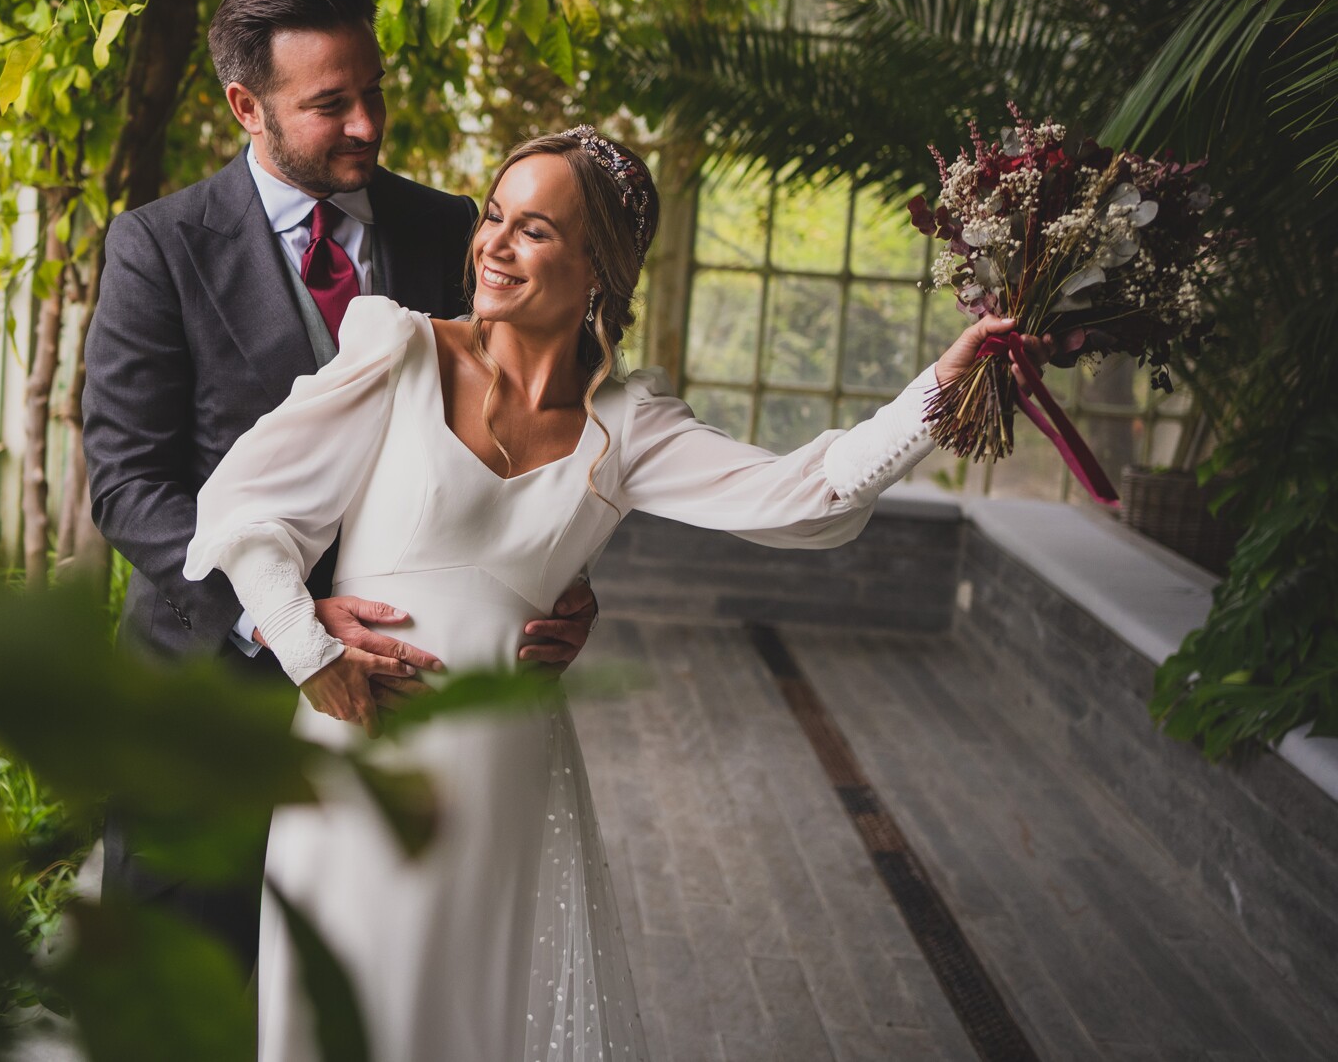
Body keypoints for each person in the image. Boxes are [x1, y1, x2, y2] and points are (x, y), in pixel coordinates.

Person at [184, 128, 1046, 1061]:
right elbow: (242, 506)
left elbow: (808, 494)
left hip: (504, 781)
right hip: (361, 762)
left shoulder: (626, 425)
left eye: (536, 230)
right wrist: (309, 652)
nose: (495, 246)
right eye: (494, 218)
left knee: (475, 1030)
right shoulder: (397, 349)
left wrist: (940, 389)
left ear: (599, 267)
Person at [81, 0, 600, 969]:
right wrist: (284, 616)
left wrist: (560, 576)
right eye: (330, 105)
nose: (366, 123)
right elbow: (132, 488)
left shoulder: (453, 234)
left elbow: (521, 429)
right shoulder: (157, 247)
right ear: (246, 105)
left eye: (372, 91)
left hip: (405, 710)